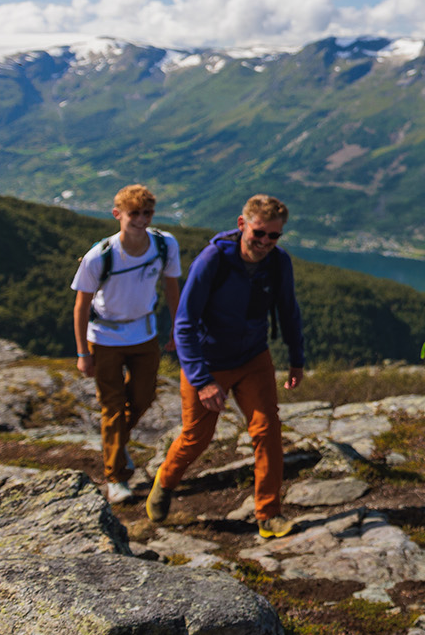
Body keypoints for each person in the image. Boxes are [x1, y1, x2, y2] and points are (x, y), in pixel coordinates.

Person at [147, 194, 306, 540]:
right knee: (196, 437)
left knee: (268, 432)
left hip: (253, 358)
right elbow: (184, 324)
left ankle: (268, 514)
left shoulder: (278, 263)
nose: (264, 242)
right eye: (258, 233)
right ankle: (165, 481)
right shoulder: (213, 260)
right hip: (208, 362)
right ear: (242, 225)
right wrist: (202, 380)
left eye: (273, 236)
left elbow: (289, 311)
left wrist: (297, 359)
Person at [71, 184, 182, 504]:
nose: (141, 220)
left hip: (144, 335)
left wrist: (177, 328)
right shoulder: (100, 256)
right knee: (113, 407)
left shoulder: (164, 246)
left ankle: (116, 443)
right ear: (118, 214)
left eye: (147, 213)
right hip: (104, 340)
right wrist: (82, 352)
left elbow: (172, 287)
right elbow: (81, 306)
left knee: (144, 398)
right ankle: (115, 476)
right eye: (134, 213)